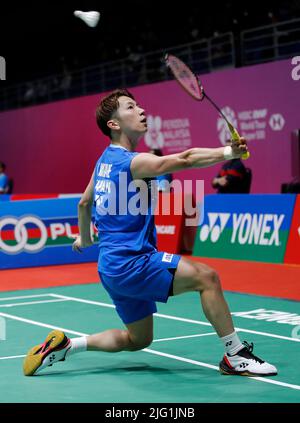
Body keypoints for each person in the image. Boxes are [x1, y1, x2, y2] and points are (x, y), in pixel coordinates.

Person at [23, 89, 277, 377]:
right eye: (131, 107)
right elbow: (185, 159)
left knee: (138, 339)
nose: (141, 110)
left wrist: (85, 237)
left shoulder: (104, 161)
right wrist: (229, 152)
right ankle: (235, 355)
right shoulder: (130, 162)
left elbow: (83, 203)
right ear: (114, 124)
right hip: (134, 262)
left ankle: (68, 345)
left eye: (139, 105)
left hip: (110, 268)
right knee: (207, 277)